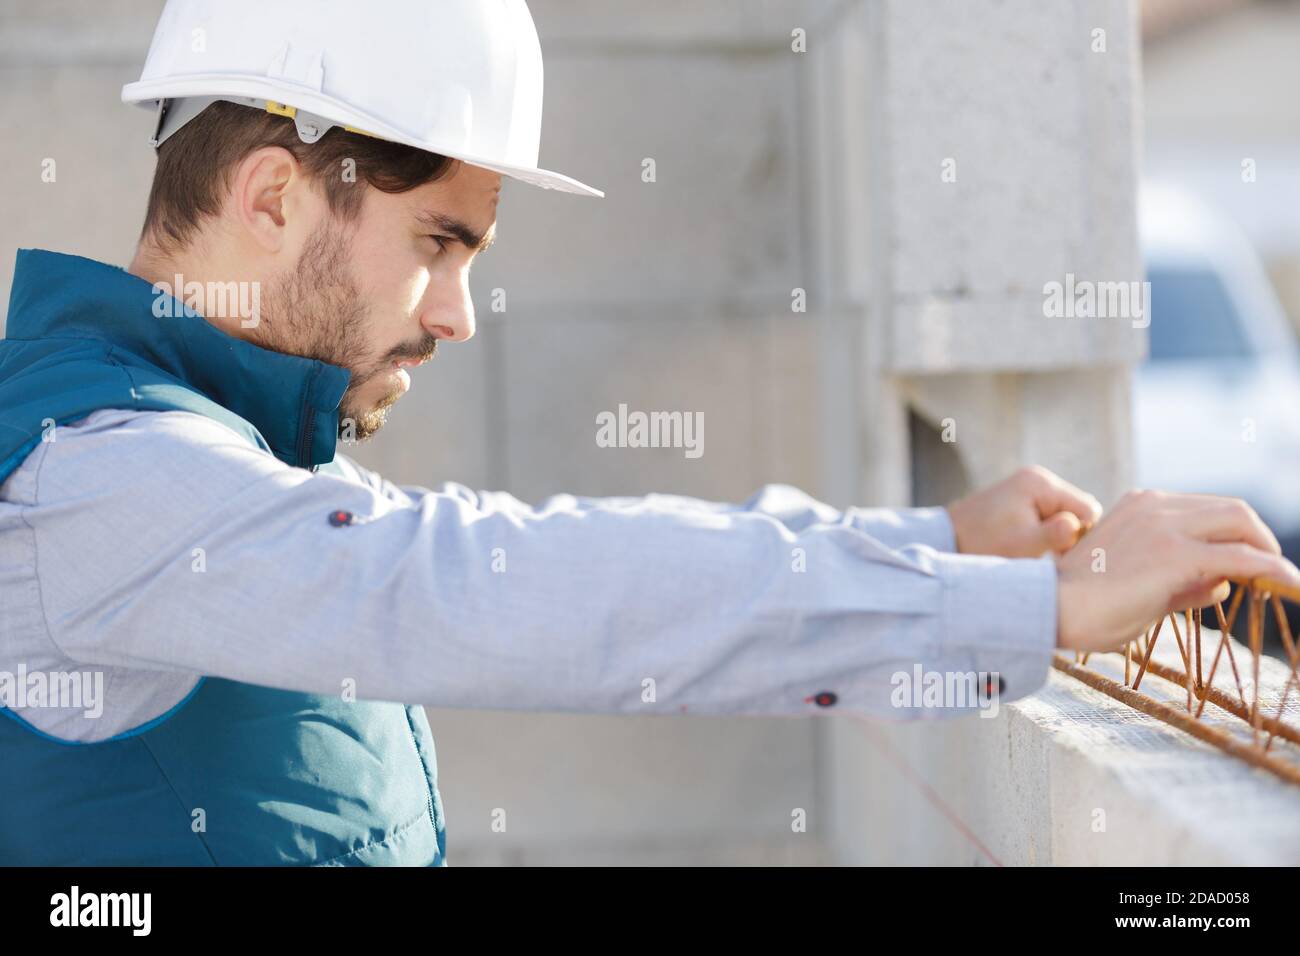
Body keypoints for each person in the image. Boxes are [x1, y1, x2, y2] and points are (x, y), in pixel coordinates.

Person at [1, 0, 1295, 866]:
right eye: (439, 244)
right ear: (274, 197)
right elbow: (494, 583)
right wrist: (1028, 613)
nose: (458, 317)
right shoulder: (105, 477)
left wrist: (939, 541)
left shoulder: (209, 454)